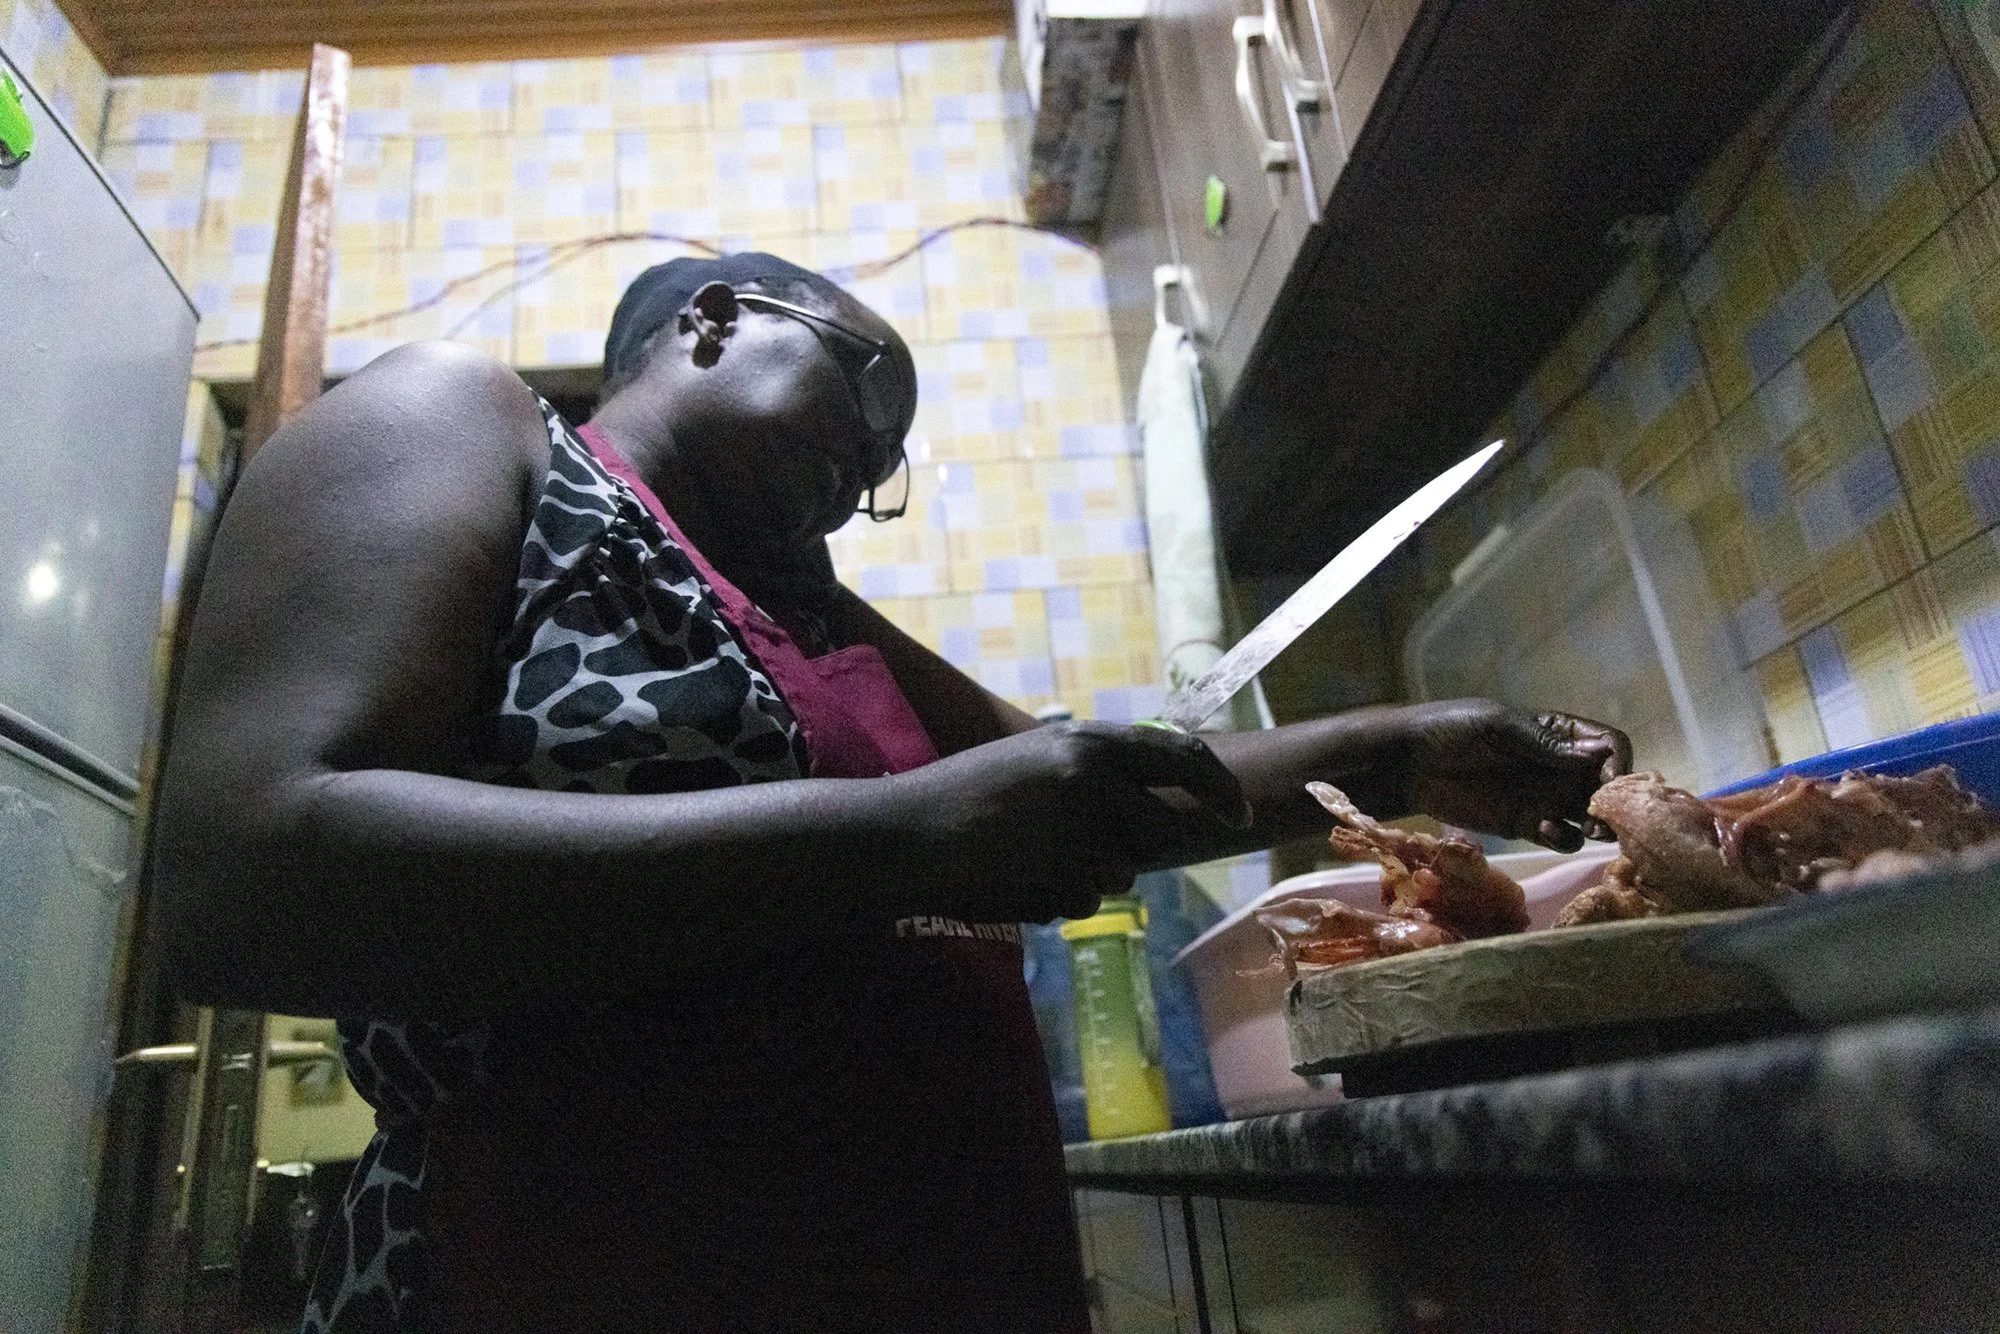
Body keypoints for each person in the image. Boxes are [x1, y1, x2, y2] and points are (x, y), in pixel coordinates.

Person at [155, 251, 1630, 1332]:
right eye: (867, 392)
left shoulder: (822, 620)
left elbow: (1131, 789)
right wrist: (915, 837)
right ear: (714, 323)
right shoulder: (472, 431)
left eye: (891, 465)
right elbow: (247, 872)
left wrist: (1411, 752)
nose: (873, 465)